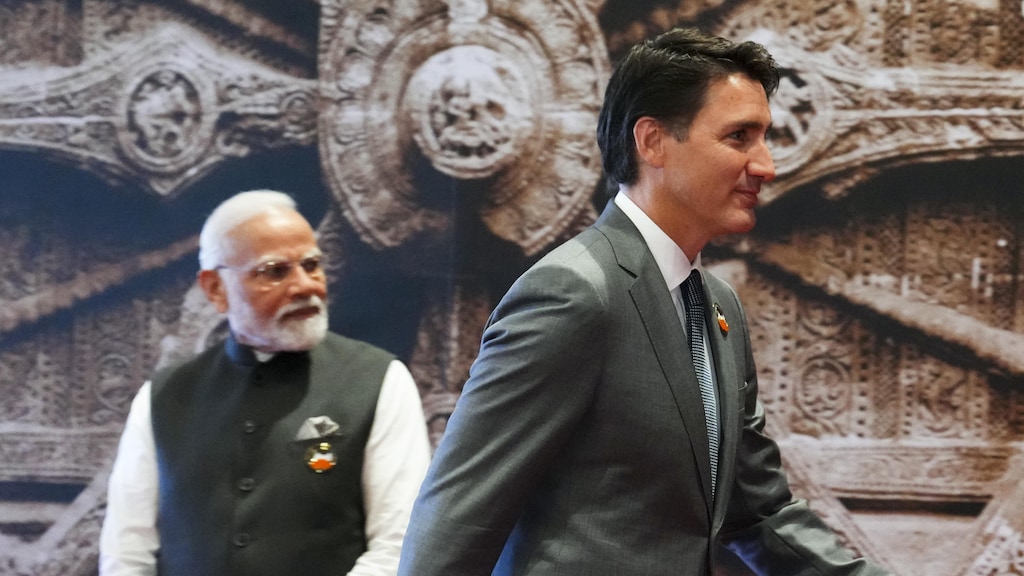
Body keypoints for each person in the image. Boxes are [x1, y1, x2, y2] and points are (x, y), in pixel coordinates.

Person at [397, 27, 891, 576]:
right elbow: (455, 524)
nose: (766, 165)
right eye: (739, 137)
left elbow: (760, 510)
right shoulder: (573, 292)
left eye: (764, 137)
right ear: (652, 141)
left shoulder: (718, 304)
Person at [100, 190, 431, 576]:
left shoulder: (379, 382)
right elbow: (127, 551)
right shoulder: (163, 396)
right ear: (215, 289)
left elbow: (399, 545)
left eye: (312, 265)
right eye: (275, 271)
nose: (305, 285)